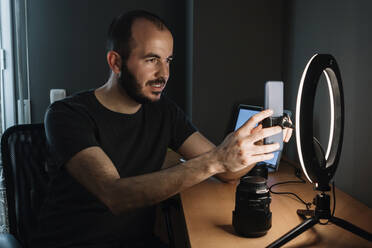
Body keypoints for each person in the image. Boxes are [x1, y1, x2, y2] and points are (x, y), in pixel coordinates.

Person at [31, 10, 292, 248]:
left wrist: (264, 141)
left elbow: (227, 171)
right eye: (152, 59)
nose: (164, 73)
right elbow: (114, 195)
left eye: (168, 60)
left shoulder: (163, 111)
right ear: (116, 62)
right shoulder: (67, 114)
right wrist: (216, 160)